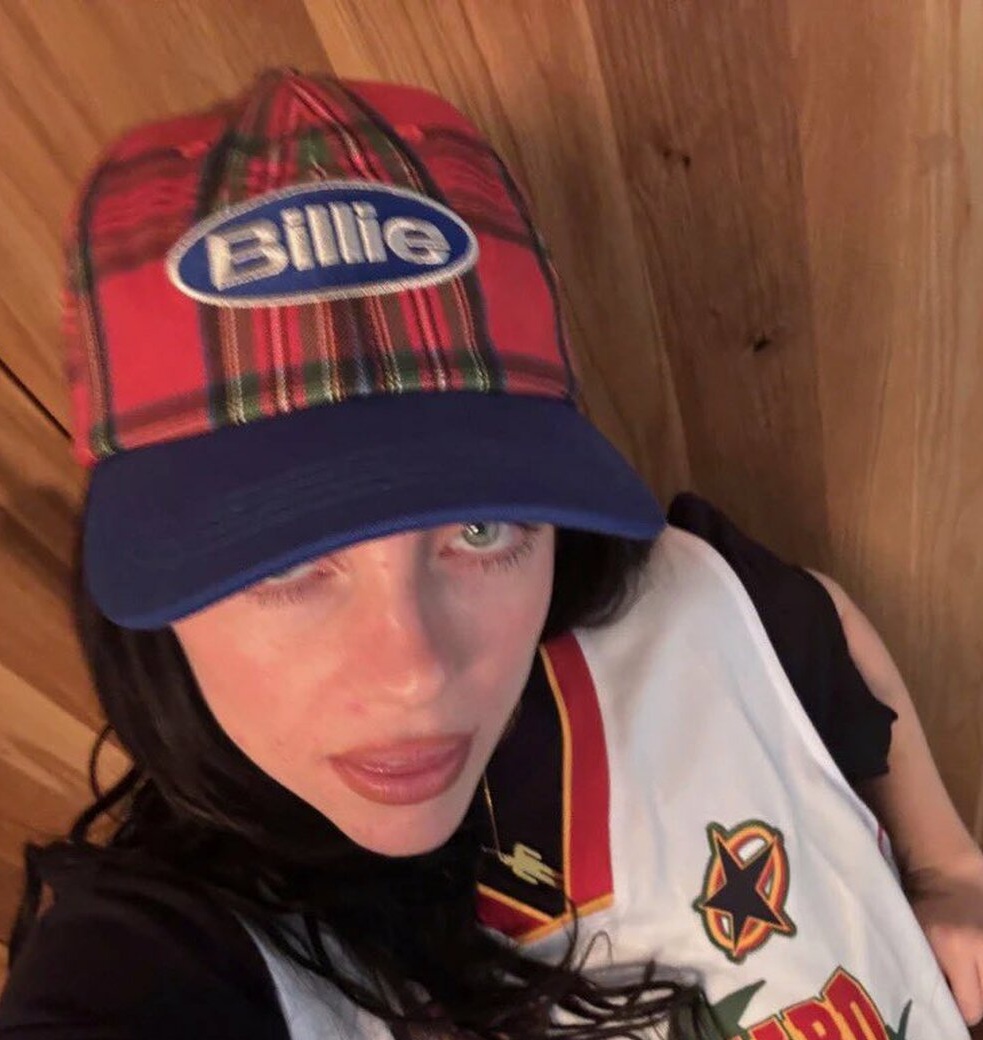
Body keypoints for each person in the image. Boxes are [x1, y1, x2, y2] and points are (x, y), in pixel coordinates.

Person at [0, 68, 979, 1040]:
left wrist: (948, 866)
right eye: (283, 559)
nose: (415, 673)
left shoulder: (687, 606)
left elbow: (807, 626)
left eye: (480, 529)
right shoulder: (158, 957)